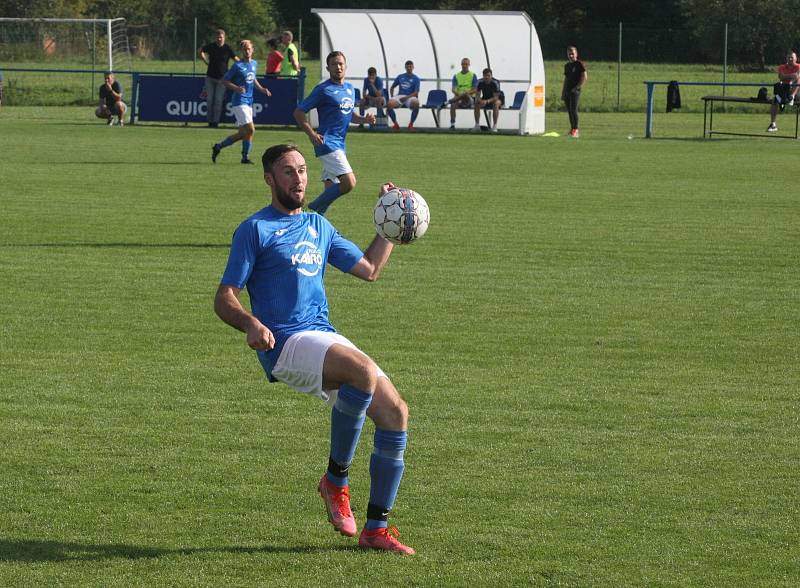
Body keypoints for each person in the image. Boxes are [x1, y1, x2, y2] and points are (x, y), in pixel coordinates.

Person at [214, 143, 416, 555]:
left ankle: (376, 528)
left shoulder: (319, 227)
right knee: (360, 369)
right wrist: (250, 323)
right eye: (288, 172)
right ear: (269, 179)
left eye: (303, 170)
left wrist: (387, 222)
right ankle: (336, 481)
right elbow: (225, 296)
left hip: (322, 335)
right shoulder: (254, 229)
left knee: (396, 412)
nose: (299, 179)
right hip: (284, 343)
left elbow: (370, 270)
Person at [293, 51, 375, 215]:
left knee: (329, 192)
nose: (338, 67)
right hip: (327, 143)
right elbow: (299, 112)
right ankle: (312, 207)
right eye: (334, 64)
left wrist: (364, 120)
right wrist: (311, 134)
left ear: (345, 66)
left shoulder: (350, 89)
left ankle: (315, 225)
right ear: (328, 68)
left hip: (340, 144)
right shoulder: (323, 89)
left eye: (340, 64)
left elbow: (349, 114)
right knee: (349, 183)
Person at [211, 40, 272, 165]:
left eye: (249, 48)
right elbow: (225, 81)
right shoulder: (237, 66)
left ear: (253, 50)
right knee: (251, 130)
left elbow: (252, 77)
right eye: (244, 49)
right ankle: (244, 156)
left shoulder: (254, 63)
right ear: (242, 51)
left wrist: (261, 89)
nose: (247, 51)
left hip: (249, 101)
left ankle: (220, 147)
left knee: (244, 132)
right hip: (239, 102)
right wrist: (237, 88)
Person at [199, 29, 238, 128]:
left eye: (221, 37)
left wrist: (243, 65)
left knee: (218, 100)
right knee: (209, 100)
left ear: (224, 38)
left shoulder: (227, 48)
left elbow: (235, 58)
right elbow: (201, 50)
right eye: (218, 37)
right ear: (215, 37)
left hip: (222, 79)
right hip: (210, 77)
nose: (219, 39)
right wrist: (204, 59)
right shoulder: (211, 46)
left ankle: (215, 122)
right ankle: (209, 122)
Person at [767, 50, 800, 133]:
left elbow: (797, 77)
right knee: (775, 100)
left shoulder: (799, 66)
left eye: (792, 57)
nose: (790, 59)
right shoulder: (782, 67)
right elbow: (781, 78)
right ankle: (773, 124)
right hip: (784, 91)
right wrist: (791, 76)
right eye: (788, 57)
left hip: (797, 92)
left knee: (799, 79)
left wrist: (786, 77)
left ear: (796, 59)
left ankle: (791, 97)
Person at [387, 60, 421, 130]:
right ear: (405, 67)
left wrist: (406, 98)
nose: (409, 68)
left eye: (410, 66)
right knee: (389, 104)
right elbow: (392, 87)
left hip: (410, 97)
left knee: (416, 103)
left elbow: (416, 92)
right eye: (407, 66)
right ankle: (395, 124)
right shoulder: (400, 76)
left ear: (413, 67)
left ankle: (411, 124)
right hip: (400, 96)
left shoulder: (416, 78)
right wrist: (392, 97)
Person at [562, 46, 587, 138]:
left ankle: (576, 130)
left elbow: (584, 77)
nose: (571, 55)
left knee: (573, 110)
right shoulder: (567, 66)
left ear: (576, 54)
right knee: (569, 111)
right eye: (569, 54)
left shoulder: (580, 64)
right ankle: (572, 129)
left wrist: (577, 88)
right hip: (568, 91)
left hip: (575, 91)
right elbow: (566, 79)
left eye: (572, 54)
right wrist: (563, 92)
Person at [448, 57, 477, 130]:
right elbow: (454, 89)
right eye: (463, 64)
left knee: (464, 94)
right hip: (459, 98)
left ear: (469, 65)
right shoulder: (456, 76)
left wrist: (466, 93)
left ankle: (447, 102)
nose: (464, 65)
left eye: (466, 64)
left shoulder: (473, 75)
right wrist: (459, 94)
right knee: (453, 104)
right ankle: (452, 124)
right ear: (461, 65)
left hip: (469, 98)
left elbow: (475, 89)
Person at [472, 68, 503, 133]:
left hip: (497, 99)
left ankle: (494, 126)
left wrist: (487, 101)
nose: (487, 77)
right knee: (476, 103)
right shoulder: (479, 82)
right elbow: (477, 95)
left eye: (488, 75)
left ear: (491, 75)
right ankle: (477, 125)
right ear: (483, 76)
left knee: (496, 104)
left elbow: (496, 97)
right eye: (485, 76)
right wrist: (480, 100)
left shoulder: (495, 82)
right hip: (485, 98)